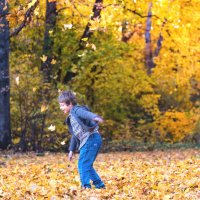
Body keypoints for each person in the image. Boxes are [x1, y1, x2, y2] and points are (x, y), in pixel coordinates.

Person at [58, 90, 105, 189]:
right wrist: (71, 150)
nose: (60, 108)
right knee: (87, 165)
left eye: (62, 105)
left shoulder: (76, 110)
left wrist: (95, 117)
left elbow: (85, 114)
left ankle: (85, 187)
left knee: (83, 164)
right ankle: (100, 186)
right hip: (89, 141)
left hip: (91, 139)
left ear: (70, 104)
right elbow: (75, 135)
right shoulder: (71, 117)